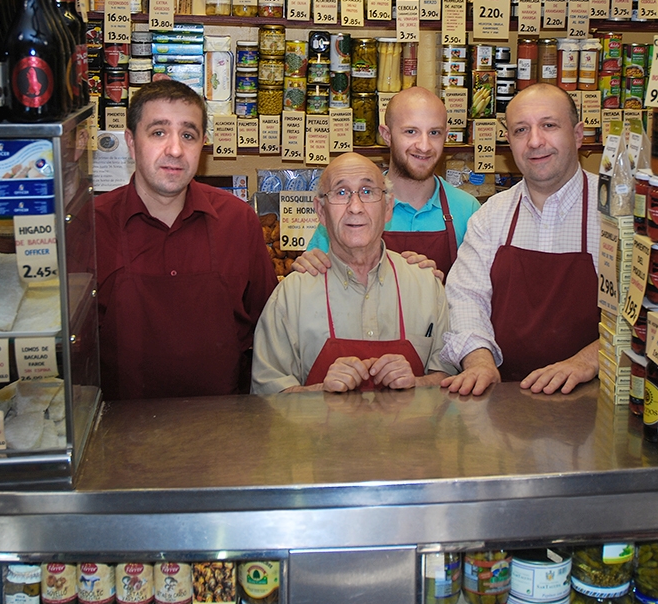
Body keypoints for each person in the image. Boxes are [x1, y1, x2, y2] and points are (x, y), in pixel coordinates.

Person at [96, 79, 277, 399]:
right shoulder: (92, 224)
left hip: (222, 426)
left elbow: (270, 322)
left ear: (203, 145)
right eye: (158, 132)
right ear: (131, 141)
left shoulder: (237, 220)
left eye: (188, 135)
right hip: (118, 432)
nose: (175, 149)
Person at [441, 83, 599, 398]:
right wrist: (480, 361)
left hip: (593, 401)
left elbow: (644, 314)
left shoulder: (616, 211)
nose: (535, 141)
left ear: (579, 135)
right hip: (505, 406)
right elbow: (465, 298)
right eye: (520, 130)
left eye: (549, 125)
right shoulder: (491, 215)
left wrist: (588, 360)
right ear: (509, 142)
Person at [251, 152, 455, 395]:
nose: (355, 207)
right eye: (341, 193)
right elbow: (265, 401)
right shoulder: (290, 297)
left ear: (388, 207)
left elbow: (451, 381)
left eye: (367, 192)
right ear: (321, 211)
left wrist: (417, 383)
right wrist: (319, 392)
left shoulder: (426, 286)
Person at [295, 86, 480, 279]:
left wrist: (436, 291)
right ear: (387, 135)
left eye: (434, 133)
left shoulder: (467, 210)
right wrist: (307, 268)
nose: (424, 146)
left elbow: (477, 294)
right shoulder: (350, 209)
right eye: (411, 131)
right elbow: (315, 274)